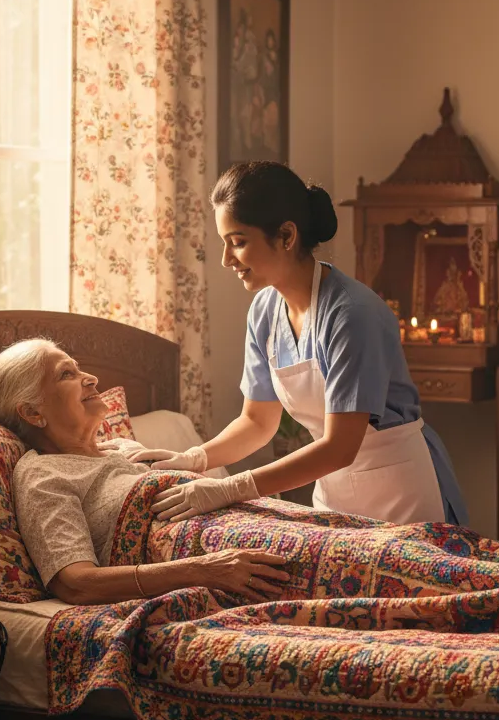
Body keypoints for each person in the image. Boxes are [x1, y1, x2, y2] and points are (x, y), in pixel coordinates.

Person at [126, 160, 469, 528]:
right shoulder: (264, 311)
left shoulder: (352, 315)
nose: (226, 260)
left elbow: (340, 447)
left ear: (287, 236)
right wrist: (196, 459)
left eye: (238, 242)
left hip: (400, 490)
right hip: (333, 486)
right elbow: (257, 421)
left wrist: (230, 489)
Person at [0, 339, 291, 606]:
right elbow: (75, 584)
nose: (91, 378)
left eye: (79, 369)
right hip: (227, 556)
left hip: (254, 523)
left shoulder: (123, 448)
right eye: (67, 374)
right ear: (33, 412)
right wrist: (203, 570)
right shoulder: (43, 474)